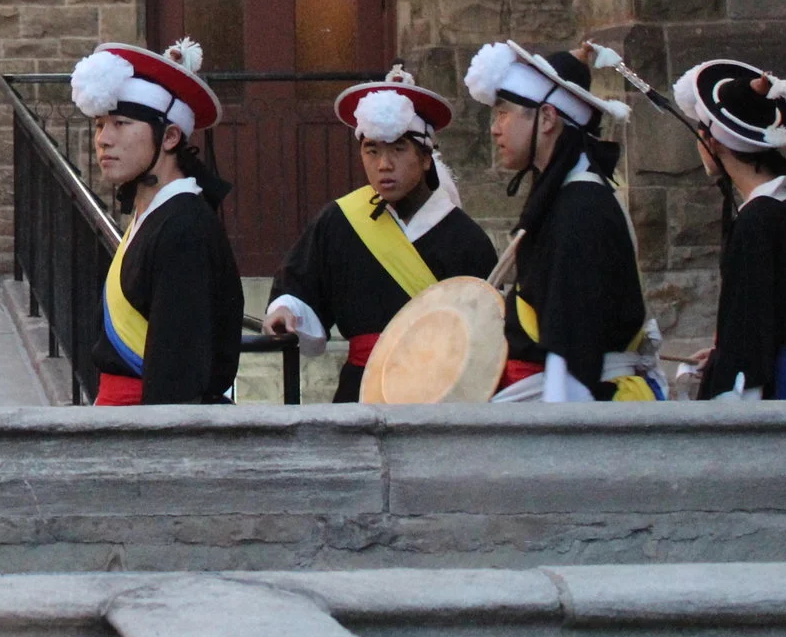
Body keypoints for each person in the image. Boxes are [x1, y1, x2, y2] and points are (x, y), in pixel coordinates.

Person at [262, 67, 498, 402]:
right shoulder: (339, 221)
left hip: (438, 397)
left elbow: (484, 337)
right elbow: (301, 285)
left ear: (427, 158)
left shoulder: (466, 239)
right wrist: (288, 311)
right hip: (360, 391)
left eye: (398, 150)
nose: (383, 164)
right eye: (372, 150)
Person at [463, 40, 663, 402]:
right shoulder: (570, 201)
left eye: (504, 112)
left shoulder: (580, 210)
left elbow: (573, 353)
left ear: (548, 118)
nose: (495, 129)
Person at [70, 40, 244, 406]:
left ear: (169, 136)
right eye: (100, 125)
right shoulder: (155, 217)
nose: (103, 140)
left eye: (120, 123)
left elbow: (177, 372)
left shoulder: (184, 227)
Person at [672, 59, 786, 400]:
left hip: (770, 398)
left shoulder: (759, 222)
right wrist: (722, 356)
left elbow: (751, 347)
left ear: (712, 141)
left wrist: (730, 369)